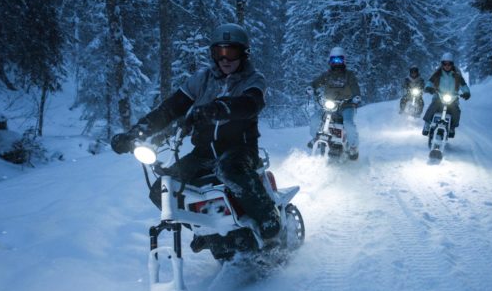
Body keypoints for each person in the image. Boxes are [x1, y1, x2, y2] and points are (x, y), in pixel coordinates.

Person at [110, 23, 282, 242]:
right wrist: (134, 134)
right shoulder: (202, 80)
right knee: (162, 190)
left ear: (244, 53)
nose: (225, 59)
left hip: (240, 149)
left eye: (232, 52)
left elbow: (251, 104)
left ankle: (268, 216)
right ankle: (204, 229)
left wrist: (219, 108)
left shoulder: (253, 79)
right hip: (203, 154)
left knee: (228, 168)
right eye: (219, 52)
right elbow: (169, 109)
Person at [307, 46, 362, 157]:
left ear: (344, 61)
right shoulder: (327, 75)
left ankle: (353, 147)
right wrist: (310, 88)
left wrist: (356, 97)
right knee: (315, 119)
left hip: (346, 105)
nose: (336, 63)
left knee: (349, 124)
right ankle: (315, 138)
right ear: (330, 61)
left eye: (339, 60)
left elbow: (355, 87)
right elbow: (316, 83)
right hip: (329, 105)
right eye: (334, 60)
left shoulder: (349, 75)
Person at [422, 52, 471, 137]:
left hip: (453, 97)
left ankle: (452, 127)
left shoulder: (457, 75)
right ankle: (427, 124)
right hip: (438, 95)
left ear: (452, 64)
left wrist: (466, 93)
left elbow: (463, 85)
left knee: (456, 110)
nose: (447, 66)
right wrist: (429, 87)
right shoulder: (438, 73)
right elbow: (430, 82)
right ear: (442, 64)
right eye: (445, 63)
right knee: (434, 105)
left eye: (449, 64)